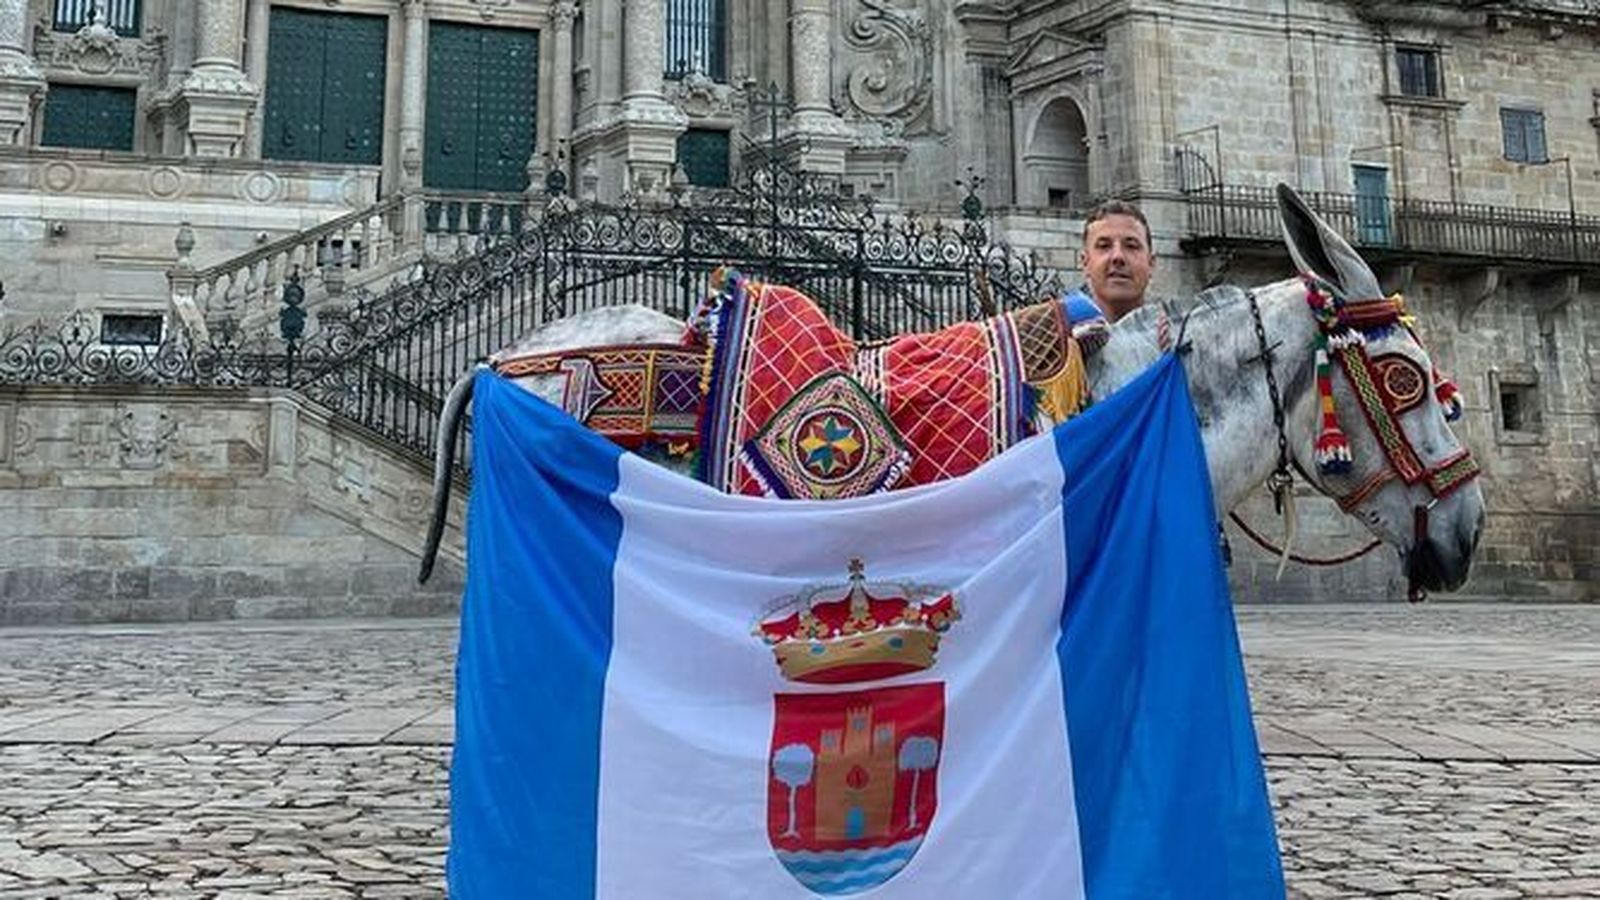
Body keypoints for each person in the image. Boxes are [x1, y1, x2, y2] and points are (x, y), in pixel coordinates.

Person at [1062, 199, 1156, 326]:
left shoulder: (1181, 337)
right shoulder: (1050, 339)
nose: (1118, 256)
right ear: (1085, 263)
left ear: (1151, 263)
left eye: (1131, 246)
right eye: (1104, 246)